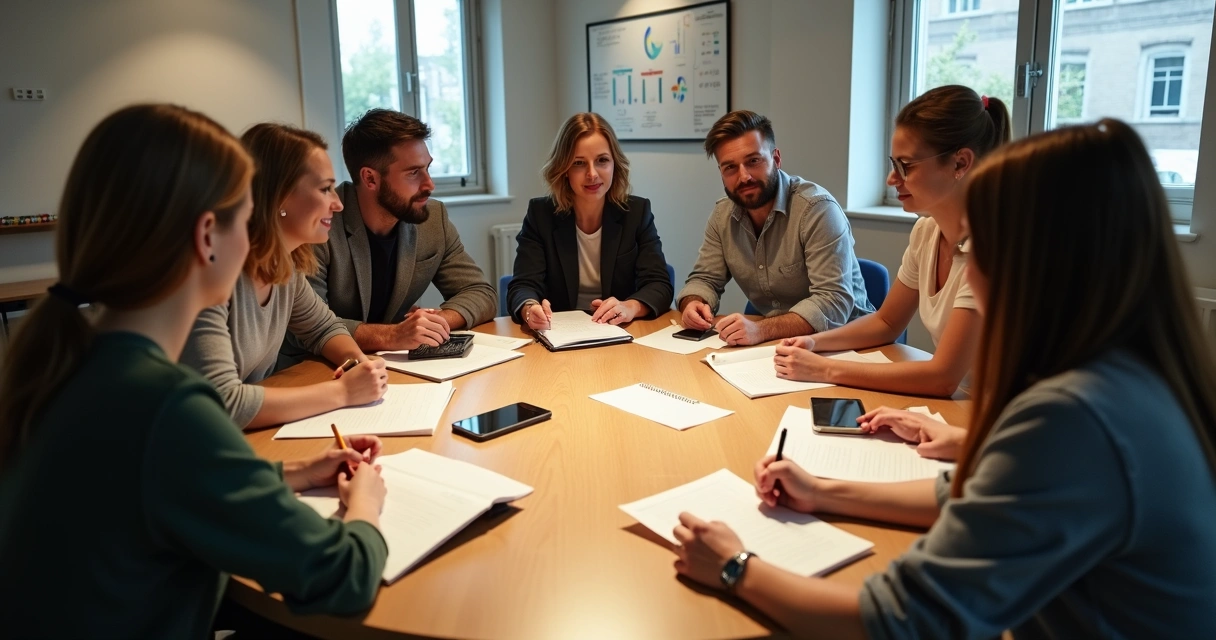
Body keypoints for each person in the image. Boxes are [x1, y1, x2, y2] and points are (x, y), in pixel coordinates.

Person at [668, 119, 1216, 637]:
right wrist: (822, 492)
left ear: (1039, 258)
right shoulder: (1128, 377)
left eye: (979, 240)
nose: (967, 263)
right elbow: (972, 492)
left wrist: (734, 566)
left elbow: (900, 621)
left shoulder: (1073, 417)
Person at [0, 104, 390, 637]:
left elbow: (153, 486)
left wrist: (291, 474)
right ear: (208, 237)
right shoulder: (168, 406)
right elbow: (343, 574)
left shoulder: (69, 363)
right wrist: (366, 502)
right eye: (246, 215)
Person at [773, 86, 1010, 397]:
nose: (891, 179)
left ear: (960, 163)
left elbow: (942, 378)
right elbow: (886, 322)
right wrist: (815, 342)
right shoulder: (927, 232)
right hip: (965, 403)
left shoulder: (994, 248)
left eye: (905, 166)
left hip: (1011, 414)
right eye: (893, 163)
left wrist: (823, 369)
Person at [181, 123, 388, 429]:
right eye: (325, 189)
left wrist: (361, 365)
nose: (338, 204)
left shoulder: (284, 268)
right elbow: (221, 403)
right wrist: (343, 392)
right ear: (279, 196)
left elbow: (323, 328)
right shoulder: (212, 274)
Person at [281, 108, 496, 360]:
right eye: (413, 173)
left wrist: (435, 323)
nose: (429, 184)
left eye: (427, 168)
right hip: (314, 366)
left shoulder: (432, 218)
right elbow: (305, 327)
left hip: (390, 365)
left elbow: (481, 293)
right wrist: (392, 335)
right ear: (370, 178)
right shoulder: (319, 225)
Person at [678, 110, 873, 346]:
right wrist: (693, 302)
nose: (744, 177)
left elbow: (833, 301)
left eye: (753, 161)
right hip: (777, 345)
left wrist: (761, 330)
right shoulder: (722, 216)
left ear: (776, 159)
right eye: (730, 167)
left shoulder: (817, 210)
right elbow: (704, 278)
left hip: (848, 343)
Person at [508, 113, 672, 329]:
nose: (592, 174)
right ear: (564, 169)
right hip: (559, 332)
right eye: (579, 163)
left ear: (615, 164)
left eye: (602, 160)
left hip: (617, 330)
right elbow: (523, 285)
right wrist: (530, 309)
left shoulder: (636, 212)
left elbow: (659, 284)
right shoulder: (541, 214)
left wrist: (629, 307)